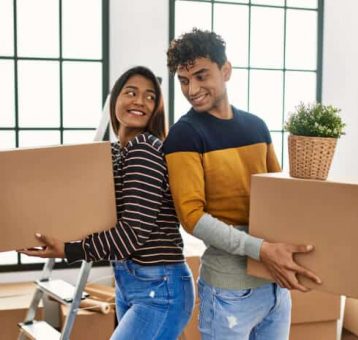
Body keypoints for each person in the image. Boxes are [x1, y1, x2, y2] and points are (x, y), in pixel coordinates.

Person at [163, 28, 322, 339]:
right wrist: (261, 250)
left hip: (275, 289)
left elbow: (281, 200)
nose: (192, 89)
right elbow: (192, 218)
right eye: (183, 80)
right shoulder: (185, 135)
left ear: (226, 70)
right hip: (229, 294)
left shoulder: (256, 127)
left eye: (201, 75)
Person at [20, 66, 195, 340]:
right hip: (132, 282)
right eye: (131, 92)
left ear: (157, 109)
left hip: (158, 288)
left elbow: (131, 235)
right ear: (115, 100)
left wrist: (68, 249)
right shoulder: (115, 152)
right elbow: (92, 210)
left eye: (150, 97)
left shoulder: (144, 148)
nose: (139, 101)